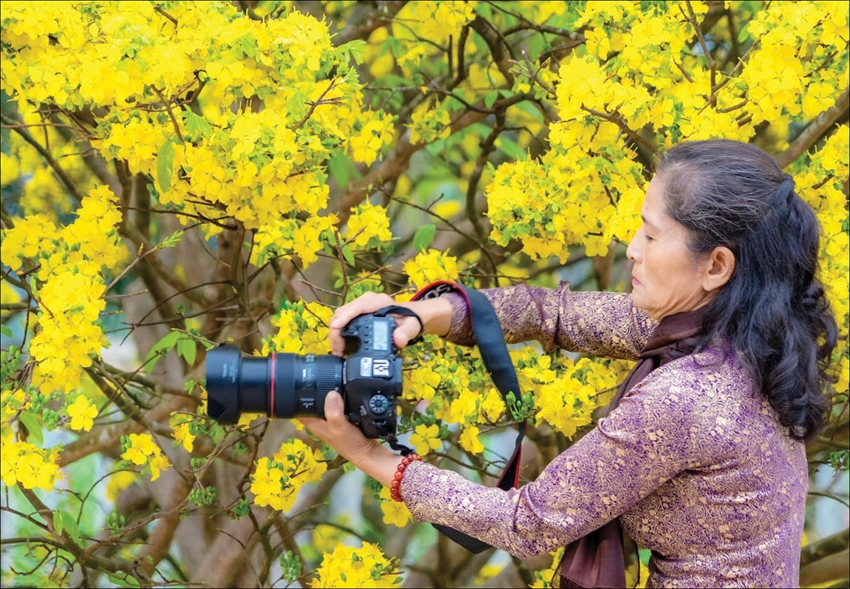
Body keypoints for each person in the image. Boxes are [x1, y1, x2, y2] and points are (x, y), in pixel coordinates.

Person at [299, 139, 838, 588]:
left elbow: (527, 524)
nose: (631, 249)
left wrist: (368, 455)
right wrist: (417, 314)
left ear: (716, 265)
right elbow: (552, 313)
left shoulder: (687, 398)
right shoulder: (740, 337)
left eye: (651, 235)